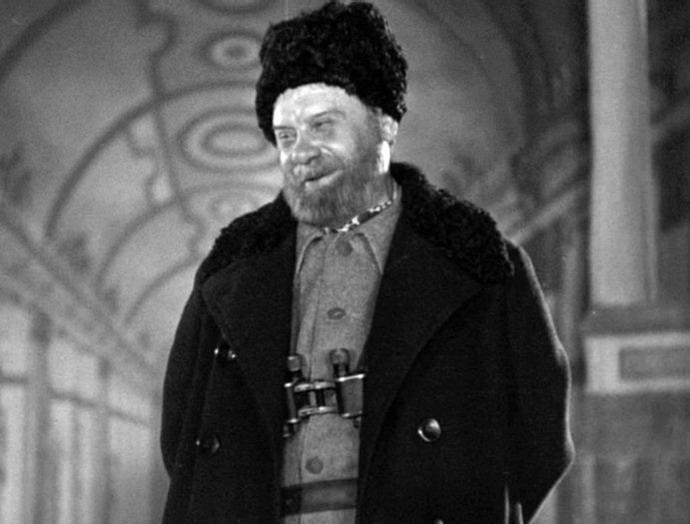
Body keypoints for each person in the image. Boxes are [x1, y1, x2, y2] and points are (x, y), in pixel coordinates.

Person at [160, 2, 574, 523]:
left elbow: (541, 440)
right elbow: (182, 438)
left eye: (322, 126)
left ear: (385, 122)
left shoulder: (482, 267)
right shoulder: (229, 273)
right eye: (286, 136)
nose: (300, 153)